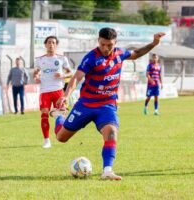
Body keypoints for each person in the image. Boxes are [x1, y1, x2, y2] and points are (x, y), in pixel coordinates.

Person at [49, 27, 165, 180]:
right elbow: (77, 77)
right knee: (61, 137)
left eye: (109, 45)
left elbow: (136, 53)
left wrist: (154, 43)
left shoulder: (120, 53)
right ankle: (60, 116)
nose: (105, 48)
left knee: (111, 132)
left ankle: (107, 171)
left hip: (107, 105)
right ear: (98, 41)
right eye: (102, 44)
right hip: (86, 105)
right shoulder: (91, 58)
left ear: (115, 43)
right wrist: (65, 96)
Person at [33, 36, 73, 149]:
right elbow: (35, 73)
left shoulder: (62, 59)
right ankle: (46, 141)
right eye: (49, 42)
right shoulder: (40, 60)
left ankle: (58, 133)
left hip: (58, 90)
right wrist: (36, 77)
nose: (51, 44)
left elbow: (70, 73)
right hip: (45, 91)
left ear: (56, 45)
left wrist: (63, 75)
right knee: (44, 115)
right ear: (45, 45)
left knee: (60, 114)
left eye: (53, 43)